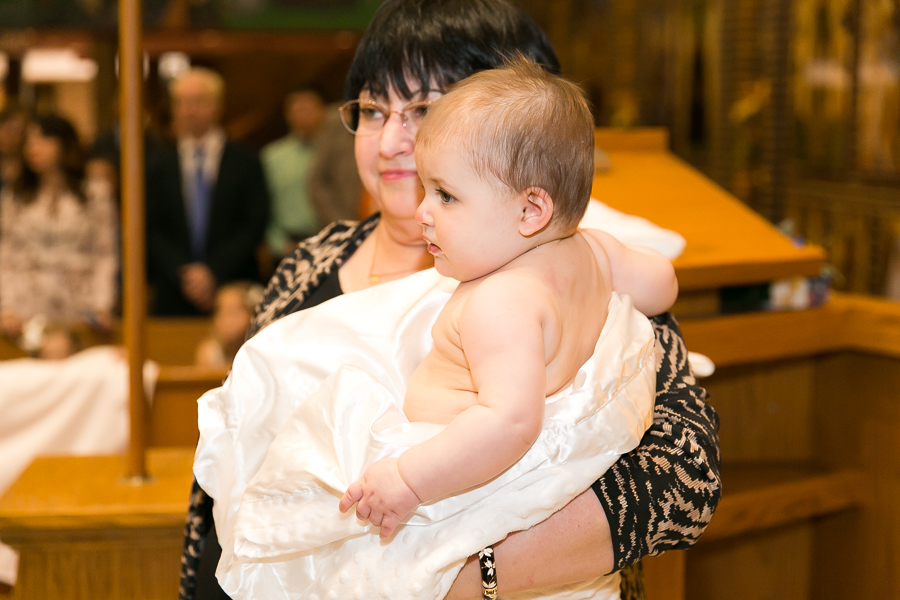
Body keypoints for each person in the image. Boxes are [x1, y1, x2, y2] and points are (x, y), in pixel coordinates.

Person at [179, 2, 721, 599]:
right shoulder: (313, 262)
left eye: (424, 110)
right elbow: (228, 480)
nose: (390, 139)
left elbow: (686, 480)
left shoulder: (531, 289)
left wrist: (450, 577)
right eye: (372, 107)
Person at [146, 68, 269, 316]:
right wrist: (184, 273)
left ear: (217, 105)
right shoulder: (158, 165)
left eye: (198, 102)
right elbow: (150, 228)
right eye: (182, 103)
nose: (190, 111)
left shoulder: (246, 160)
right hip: (174, 292)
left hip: (234, 288)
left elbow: (254, 223)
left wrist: (212, 272)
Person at [0, 114, 117, 342]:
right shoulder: (16, 196)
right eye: (29, 141)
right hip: (27, 306)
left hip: (80, 307)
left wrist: (102, 305)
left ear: (64, 144)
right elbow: (6, 255)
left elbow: (105, 254)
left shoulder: (95, 194)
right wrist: (7, 308)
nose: (33, 147)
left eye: (42, 139)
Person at [260, 88, 325, 263]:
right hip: (288, 247)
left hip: (329, 241)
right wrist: (279, 244)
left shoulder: (335, 154)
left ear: (322, 111)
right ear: (287, 114)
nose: (304, 114)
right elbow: (263, 206)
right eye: (298, 109)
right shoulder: (272, 156)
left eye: (309, 108)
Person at [194, 281, 263, 368]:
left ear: (252, 314)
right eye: (221, 312)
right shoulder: (210, 352)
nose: (226, 320)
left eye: (233, 312)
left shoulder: (261, 349)